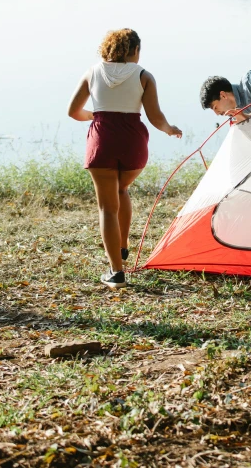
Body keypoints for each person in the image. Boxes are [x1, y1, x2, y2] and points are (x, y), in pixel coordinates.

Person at [68, 28, 182, 289]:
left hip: (102, 141)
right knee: (122, 188)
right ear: (135, 51)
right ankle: (122, 246)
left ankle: (116, 272)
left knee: (107, 207)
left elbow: (73, 111)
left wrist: (96, 116)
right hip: (133, 142)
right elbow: (155, 116)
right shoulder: (144, 76)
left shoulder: (92, 72)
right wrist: (169, 129)